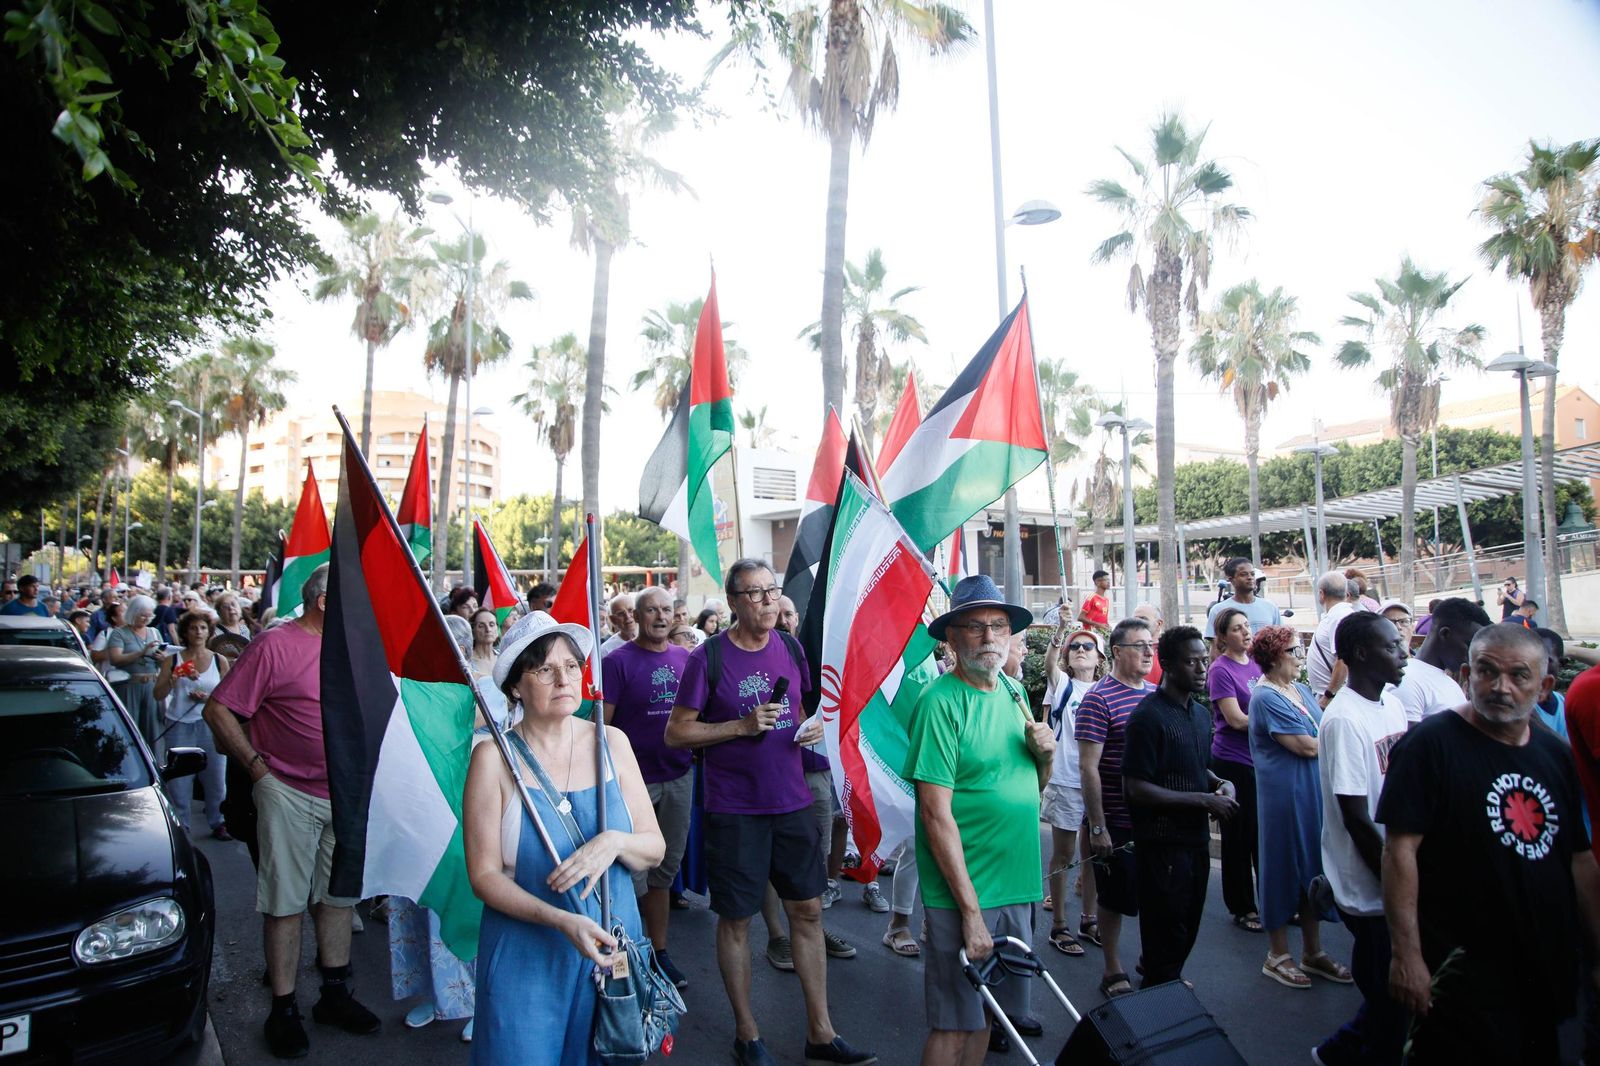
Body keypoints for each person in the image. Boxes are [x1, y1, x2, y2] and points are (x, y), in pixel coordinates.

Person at [666, 560, 874, 1066]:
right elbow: (677, 733)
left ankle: (821, 1033)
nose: (766, 601)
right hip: (734, 809)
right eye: (754, 594)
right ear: (733, 602)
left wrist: (813, 728)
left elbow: (802, 709)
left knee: (807, 910)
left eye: (770, 591)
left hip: (793, 801)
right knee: (736, 919)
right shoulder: (708, 658)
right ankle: (747, 1033)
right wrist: (739, 727)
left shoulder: (791, 648)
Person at [1379, 624, 1600, 1064]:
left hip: (1541, 968)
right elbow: (1399, 852)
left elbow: (1579, 860)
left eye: (1520, 675)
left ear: (1545, 687)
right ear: (1466, 675)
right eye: (1487, 672)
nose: (1501, 687)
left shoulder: (1554, 755)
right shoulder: (1430, 746)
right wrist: (1407, 955)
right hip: (1461, 974)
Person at [462, 611, 664, 1064]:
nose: (563, 679)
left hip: (612, 949)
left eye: (572, 666)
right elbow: (484, 875)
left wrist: (614, 842)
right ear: (515, 685)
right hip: (527, 954)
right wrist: (560, 920)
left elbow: (654, 847)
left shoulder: (612, 742)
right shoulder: (493, 759)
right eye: (544, 669)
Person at [203, 565, 381, 1059]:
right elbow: (218, 709)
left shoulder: (355, 648)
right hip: (287, 792)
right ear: (324, 602)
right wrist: (258, 770)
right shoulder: (274, 646)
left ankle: (334, 995)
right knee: (284, 904)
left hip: (344, 795)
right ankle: (283, 1009)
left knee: (338, 898)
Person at [904, 575, 1053, 1066]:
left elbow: (1031, 792)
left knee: (989, 1016)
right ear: (952, 638)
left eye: (998, 626)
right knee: (953, 1023)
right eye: (975, 627)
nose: (990, 637)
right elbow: (934, 813)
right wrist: (969, 913)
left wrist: (1045, 758)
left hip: (1016, 884)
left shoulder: (1012, 691)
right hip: (966, 892)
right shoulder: (940, 703)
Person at [1311, 610, 1411, 1065]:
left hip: (1396, 868)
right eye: (1392, 646)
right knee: (1388, 993)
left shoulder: (1391, 703)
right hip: (1369, 885)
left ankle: (1336, 1052)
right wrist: (1396, 879)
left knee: (1390, 1005)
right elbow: (1355, 817)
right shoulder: (1344, 720)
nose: (1403, 651)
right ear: (1360, 655)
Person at [1122, 626, 1238, 988]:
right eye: (1191, 662)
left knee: (1187, 926)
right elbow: (1135, 787)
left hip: (1195, 841)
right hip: (1161, 846)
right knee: (1165, 932)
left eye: (1204, 660)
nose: (1202, 668)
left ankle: (1167, 980)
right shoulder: (1148, 716)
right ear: (1167, 664)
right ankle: (1156, 1001)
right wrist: (1201, 801)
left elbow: (1191, 764)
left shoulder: (1200, 715)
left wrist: (1217, 783)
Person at [1246, 625, 1350, 989]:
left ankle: (1312, 951)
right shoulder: (1265, 697)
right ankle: (1277, 954)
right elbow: (1306, 745)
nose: (1300, 656)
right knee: (1281, 868)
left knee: (1312, 868)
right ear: (1275, 656)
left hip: (1310, 792)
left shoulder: (1300, 690)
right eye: (1294, 650)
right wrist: (1335, 736)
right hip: (1284, 796)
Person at [601, 587, 694, 991]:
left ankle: (658, 952)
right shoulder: (615, 663)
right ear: (636, 616)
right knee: (630, 871)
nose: (660, 615)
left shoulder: (686, 660)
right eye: (651, 609)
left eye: (666, 609)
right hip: (630, 782)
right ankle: (630, 950)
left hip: (678, 776)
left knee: (663, 871)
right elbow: (600, 729)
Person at [1077, 616, 1157, 998]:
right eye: (1139, 645)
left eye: (1150, 645)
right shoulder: (1099, 698)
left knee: (1156, 896)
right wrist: (1097, 826)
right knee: (1114, 898)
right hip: (1116, 819)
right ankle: (1112, 969)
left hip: (1156, 820)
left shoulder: (1156, 695)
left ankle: (1154, 963)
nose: (1147, 652)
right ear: (1116, 652)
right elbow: (1088, 766)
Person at [1040, 623, 1104, 955]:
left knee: (1093, 855)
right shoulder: (1063, 684)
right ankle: (1059, 925)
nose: (1080, 650)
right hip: (1065, 781)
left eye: (1087, 647)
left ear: (1101, 657)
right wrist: (1059, 632)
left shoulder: (1106, 690)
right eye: (1074, 647)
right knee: (1064, 856)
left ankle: (1089, 919)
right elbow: (1050, 665)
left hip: (1096, 786)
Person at [1208, 606, 1262, 933]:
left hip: (1261, 761)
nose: (1245, 632)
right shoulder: (1220, 670)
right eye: (1238, 628)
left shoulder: (1256, 665)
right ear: (1224, 636)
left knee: (1262, 835)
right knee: (1239, 837)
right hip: (1234, 762)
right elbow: (1236, 719)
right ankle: (1243, 906)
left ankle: (1271, 900)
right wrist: (1276, 723)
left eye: (1247, 626)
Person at [154, 609, 231, 838]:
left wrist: (207, 698)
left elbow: (228, 695)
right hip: (179, 723)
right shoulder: (173, 659)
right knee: (180, 781)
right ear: (185, 633)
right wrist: (172, 679)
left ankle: (218, 821)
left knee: (216, 777)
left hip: (210, 724)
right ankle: (182, 825)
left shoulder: (219, 660)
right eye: (193, 628)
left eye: (203, 628)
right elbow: (158, 694)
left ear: (209, 632)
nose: (198, 632)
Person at [1392, 597, 1490, 725]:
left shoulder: (1450, 683)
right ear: (1445, 634)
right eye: (1469, 645)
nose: (1473, 655)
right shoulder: (1407, 682)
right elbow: (1408, 743)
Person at [106, 594, 165, 746]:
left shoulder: (154, 633)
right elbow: (115, 659)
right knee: (129, 728)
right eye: (142, 615)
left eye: (149, 615)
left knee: (153, 729)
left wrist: (162, 659)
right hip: (129, 685)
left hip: (151, 685)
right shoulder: (119, 633)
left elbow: (163, 661)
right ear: (133, 613)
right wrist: (140, 653)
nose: (146, 618)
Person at [1203, 557, 1282, 640]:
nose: (1250, 577)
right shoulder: (1218, 610)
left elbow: (1281, 641)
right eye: (1243, 574)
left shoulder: (1270, 607)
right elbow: (1215, 647)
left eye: (1252, 574)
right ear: (1231, 580)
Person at [1309, 572, 1356, 706]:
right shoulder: (1337, 615)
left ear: (1321, 594)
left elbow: (1343, 661)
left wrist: (1328, 696)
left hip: (1334, 698)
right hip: (1332, 695)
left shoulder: (1339, 617)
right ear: (1346, 594)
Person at [1132, 603, 1165, 683]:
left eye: (1143, 619)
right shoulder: (1126, 650)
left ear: (1159, 624)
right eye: (1135, 619)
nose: (1137, 623)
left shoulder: (1169, 651)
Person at [469, 608, 499, 680]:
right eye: (481, 626)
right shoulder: (467, 662)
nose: (488, 629)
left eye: (491, 625)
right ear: (473, 631)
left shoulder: (503, 658)